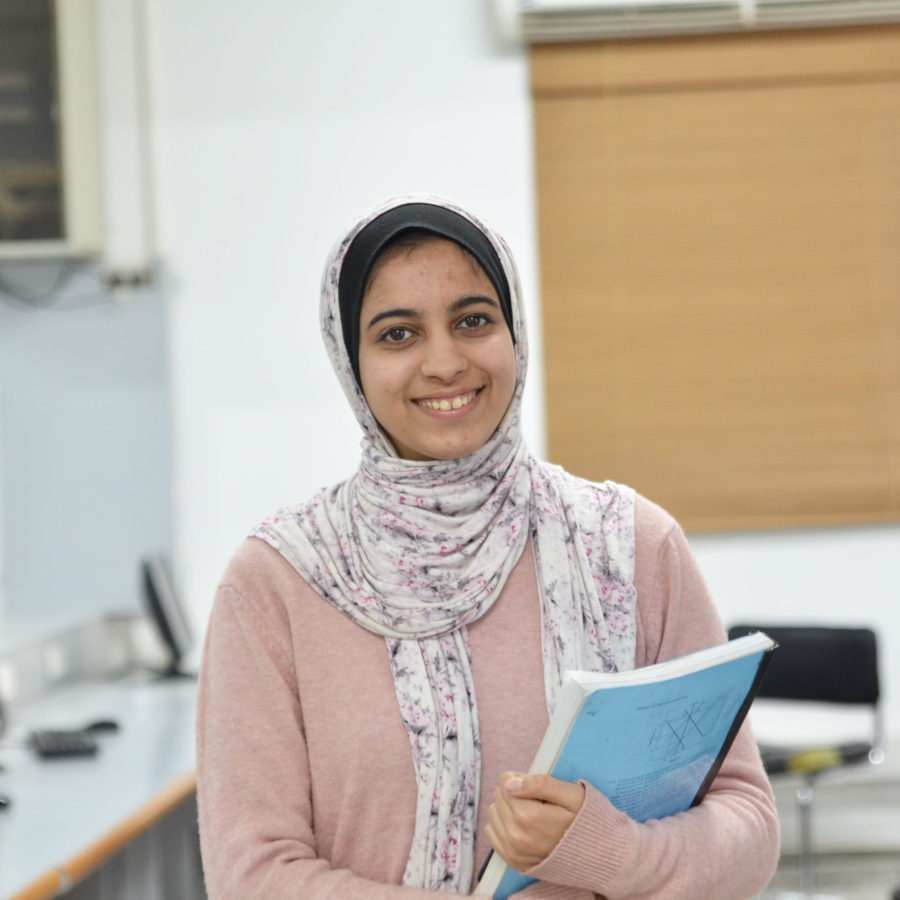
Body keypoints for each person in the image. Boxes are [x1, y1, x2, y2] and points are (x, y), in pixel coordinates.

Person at [196, 194, 780, 899]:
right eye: (397, 334)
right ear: (350, 361)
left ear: (514, 333)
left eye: (473, 321)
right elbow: (251, 876)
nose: (444, 363)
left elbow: (747, 829)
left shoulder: (629, 547)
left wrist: (613, 855)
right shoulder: (277, 583)